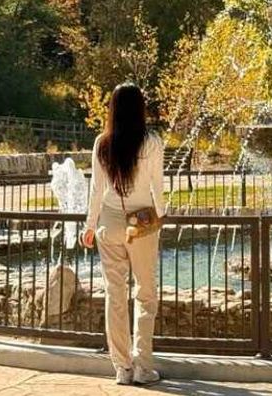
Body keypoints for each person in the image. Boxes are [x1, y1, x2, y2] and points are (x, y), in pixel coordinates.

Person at [80, 83, 165, 386]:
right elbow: (157, 186)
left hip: (111, 223)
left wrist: (89, 226)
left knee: (115, 295)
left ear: (113, 109)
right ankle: (143, 365)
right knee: (145, 293)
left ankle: (122, 367)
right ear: (141, 108)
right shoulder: (152, 142)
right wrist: (162, 216)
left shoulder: (103, 143)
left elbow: (96, 189)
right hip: (141, 222)